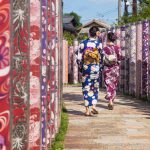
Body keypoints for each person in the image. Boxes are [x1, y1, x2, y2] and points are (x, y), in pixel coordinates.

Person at [76, 26, 102, 116]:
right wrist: (99, 67)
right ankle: (94, 106)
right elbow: (101, 57)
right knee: (95, 87)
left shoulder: (83, 43)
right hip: (95, 68)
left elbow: (79, 58)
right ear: (97, 34)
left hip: (86, 68)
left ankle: (87, 110)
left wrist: (81, 67)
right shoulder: (99, 43)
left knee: (86, 87)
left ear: (89, 33)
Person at [103, 31, 123, 110]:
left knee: (108, 83)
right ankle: (111, 100)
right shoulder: (117, 48)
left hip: (107, 68)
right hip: (115, 68)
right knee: (114, 84)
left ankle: (110, 100)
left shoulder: (105, 49)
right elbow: (120, 57)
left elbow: (102, 59)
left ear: (107, 39)